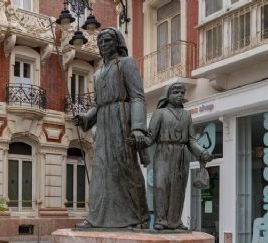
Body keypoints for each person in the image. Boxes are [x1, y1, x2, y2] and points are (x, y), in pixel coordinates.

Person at [73, 27, 149, 229]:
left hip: (122, 120)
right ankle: (96, 218)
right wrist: (86, 118)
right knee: (100, 171)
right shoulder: (97, 74)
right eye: (100, 42)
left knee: (125, 167)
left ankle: (137, 218)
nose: (103, 45)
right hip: (104, 124)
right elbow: (98, 104)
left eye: (107, 41)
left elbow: (138, 97)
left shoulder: (126, 64)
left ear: (117, 43)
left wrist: (138, 127)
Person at [147, 83, 213, 230]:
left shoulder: (187, 115)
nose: (180, 95)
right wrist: (138, 140)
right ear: (167, 95)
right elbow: (150, 137)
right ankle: (161, 220)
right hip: (163, 152)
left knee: (178, 189)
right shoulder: (160, 113)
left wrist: (202, 152)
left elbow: (191, 140)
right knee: (161, 186)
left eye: (182, 93)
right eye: (176, 92)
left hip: (182, 154)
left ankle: (175, 221)